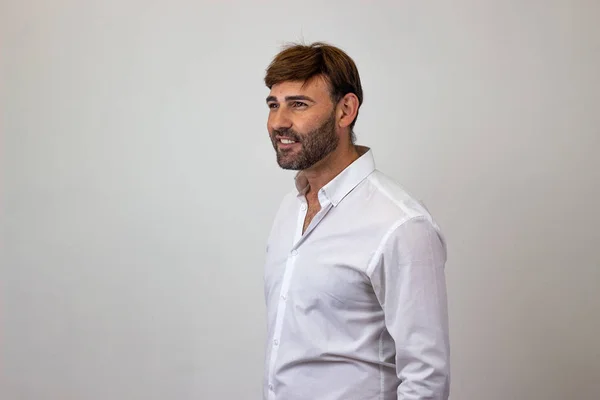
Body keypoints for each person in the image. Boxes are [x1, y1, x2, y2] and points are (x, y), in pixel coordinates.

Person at [262, 42, 450, 400]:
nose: (279, 122)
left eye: (298, 104)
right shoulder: (291, 207)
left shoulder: (400, 224)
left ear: (345, 109)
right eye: (274, 105)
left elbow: (425, 379)